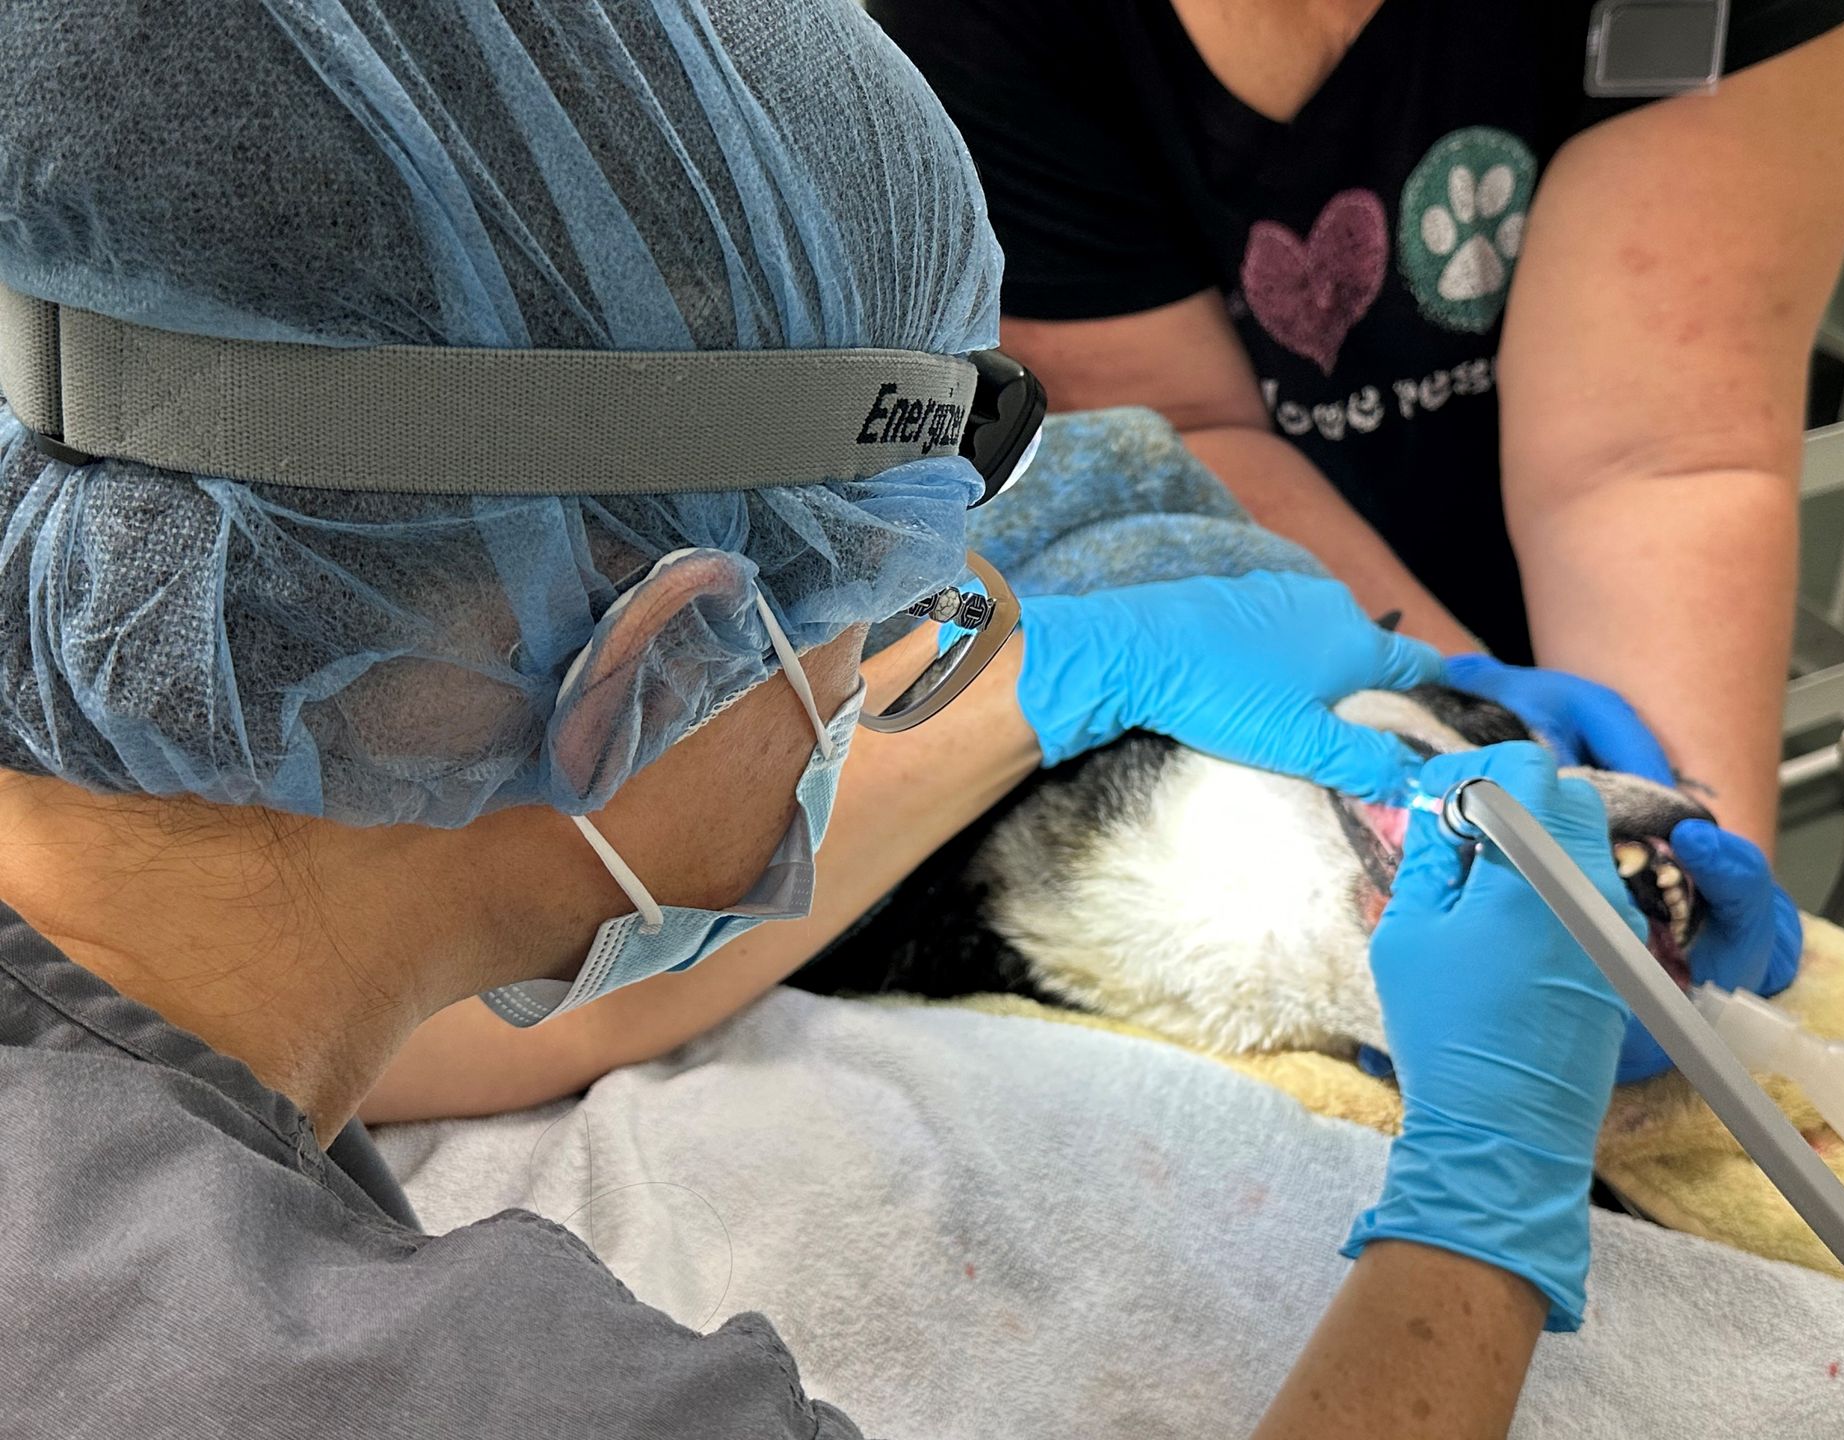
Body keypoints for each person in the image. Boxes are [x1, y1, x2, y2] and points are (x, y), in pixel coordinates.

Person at [0, 2, 1658, 1436]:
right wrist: (1481, 1207)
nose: (892, 668)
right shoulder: (424, 1392)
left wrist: (1056, 671)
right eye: (881, 599)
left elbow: (424, 984)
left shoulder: (138, 988)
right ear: (653, 655)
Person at [869, 0, 1844, 1074]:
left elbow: (1660, 459)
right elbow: (1185, 433)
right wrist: (1449, 725)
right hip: (1243, 646)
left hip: (1571, 643)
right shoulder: (962, 29)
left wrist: (1670, 889)